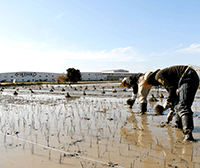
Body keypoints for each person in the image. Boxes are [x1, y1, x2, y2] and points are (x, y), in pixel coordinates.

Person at [144, 65, 199, 141]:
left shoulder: (158, 76)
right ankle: (179, 126)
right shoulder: (165, 79)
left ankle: (188, 135)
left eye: (151, 84)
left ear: (151, 80)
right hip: (190, 77)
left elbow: (172, 89)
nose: (153, 85)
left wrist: (167, 102)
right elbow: (173, 96)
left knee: (183, 106)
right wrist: (171, 111)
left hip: (187, 76)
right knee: (178, 105)